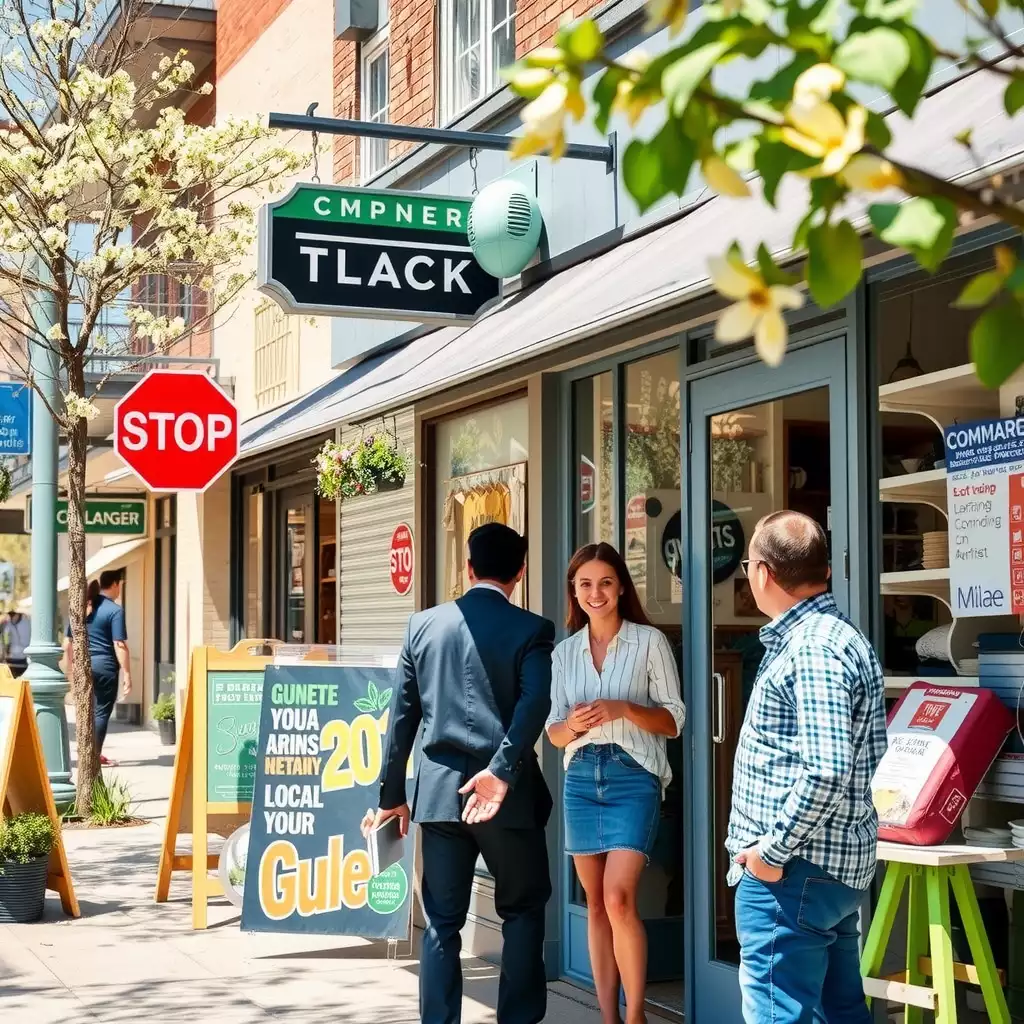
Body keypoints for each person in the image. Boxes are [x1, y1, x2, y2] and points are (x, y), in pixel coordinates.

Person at [363, 522, 555, 1024]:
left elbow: (401, 718)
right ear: (520, 571)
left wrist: (391, 796)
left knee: (442, 923)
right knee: (522, 911)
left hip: (440, 795)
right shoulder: (532, 629)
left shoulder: (422, 626)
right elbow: (536, 703)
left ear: (467, 569)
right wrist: (501, 771)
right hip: (506, 799)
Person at [727, 511, 887, 1024]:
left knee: (781, 1015)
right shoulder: (840, 637)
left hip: (795, 871)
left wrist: (772, 852)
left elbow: (827, 769)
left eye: (748, 563)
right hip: (829, 868)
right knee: (842, 1011)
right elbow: (869, 754)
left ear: (763, 573)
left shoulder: (813, 647)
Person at [546, 543, 685, 1024]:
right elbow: (554, 733)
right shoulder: (564, 653)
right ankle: (607, 1016)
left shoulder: (649, 642)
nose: (595, 592)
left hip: (633, 778)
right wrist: (576, 725)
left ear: (621, 585)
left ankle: (635, 1015)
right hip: (581, 778)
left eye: (605, 582)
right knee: (596, 905)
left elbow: (674, 721)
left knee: (618, 896)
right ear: (574, 592)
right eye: (585, 584)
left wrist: (624, 708)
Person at [65, 570, 132, 763]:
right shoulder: (115, 610)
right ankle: (93, 758)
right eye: (120, 585)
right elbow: (119, 644)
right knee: (101, 711)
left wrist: (72, 670)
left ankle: (88, 754)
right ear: (115, 584)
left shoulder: (80, 607)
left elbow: (69, 643)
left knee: (87, 711)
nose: (120, 590)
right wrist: (127, 673)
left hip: (82, 665)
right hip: (105, 667)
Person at [1, 608, 30, 677]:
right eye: (10, 614)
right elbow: (6, 637)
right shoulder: (9, 624)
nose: (11, 616)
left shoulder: (27, 622)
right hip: (12, 657)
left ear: (18, 614)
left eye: (13, 614)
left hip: (25, 656)